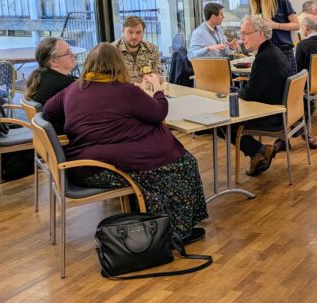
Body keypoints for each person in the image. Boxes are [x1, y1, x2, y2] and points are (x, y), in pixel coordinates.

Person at [42, 44, 208, 243]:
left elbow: (49, 112)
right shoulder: (125, 91)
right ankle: (175, 233)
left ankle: (155, 221)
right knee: (182, 163)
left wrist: (77, 127)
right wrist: (157, 89)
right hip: (104, 168)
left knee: (159, 165)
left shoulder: (74, 88)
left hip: (80, 165)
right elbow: (158, 113)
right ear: (118, 64)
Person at [231, 15, 297, 176]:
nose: (242, 39)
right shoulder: (274, 51)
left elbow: (249, 95)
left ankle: (259, 151)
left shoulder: (264, 59)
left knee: (225, 122)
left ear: (260, 34)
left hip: (272, 116)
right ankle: (258, 152)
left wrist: (234, 91)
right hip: (281, 111)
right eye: (241, 34)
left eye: (246, 34)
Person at [247, 0, 299, 75]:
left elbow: (296, 25)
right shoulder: (256, 7)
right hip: (265, 53)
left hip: (283, 51)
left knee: (288, 88)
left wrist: (276, 25)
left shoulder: (280, 1)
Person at [24, 37, 78, 105]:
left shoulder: (40, 76)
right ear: (53, 62)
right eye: (68, 53)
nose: (74, 55)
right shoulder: (67, 85)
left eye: (70, 51)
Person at [113, 15, 162, 83]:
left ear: (143, 32)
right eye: (130, 32)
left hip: (145, 92)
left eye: (138, 32)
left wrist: (154, 80)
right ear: (123, 31)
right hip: (122, 92)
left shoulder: (152, 49)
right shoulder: (112, 51)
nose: (134, 37)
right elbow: (107, 81)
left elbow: (159, 76)